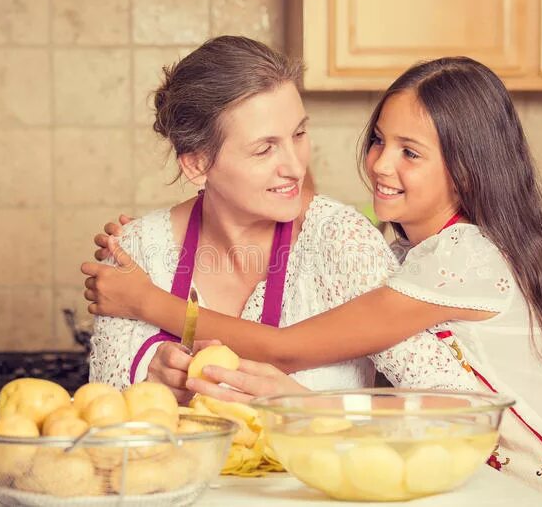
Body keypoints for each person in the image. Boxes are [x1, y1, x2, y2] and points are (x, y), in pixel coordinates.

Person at [83, 56, 542, 506]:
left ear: (468, 169)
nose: (381, 164)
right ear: (196, 163)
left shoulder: (462, 255)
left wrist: (150, 303)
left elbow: (289, 350)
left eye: (410, 152)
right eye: (380, 141)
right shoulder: (411, 251)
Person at [87, 36, 472, 404]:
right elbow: (101, 425)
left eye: (299, 133)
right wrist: (150, 386)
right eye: (264, 149)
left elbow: (453, 403)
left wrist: (303, 408)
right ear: (198, 164)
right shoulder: (135, 254)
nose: (294, 166)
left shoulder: (341, 241)